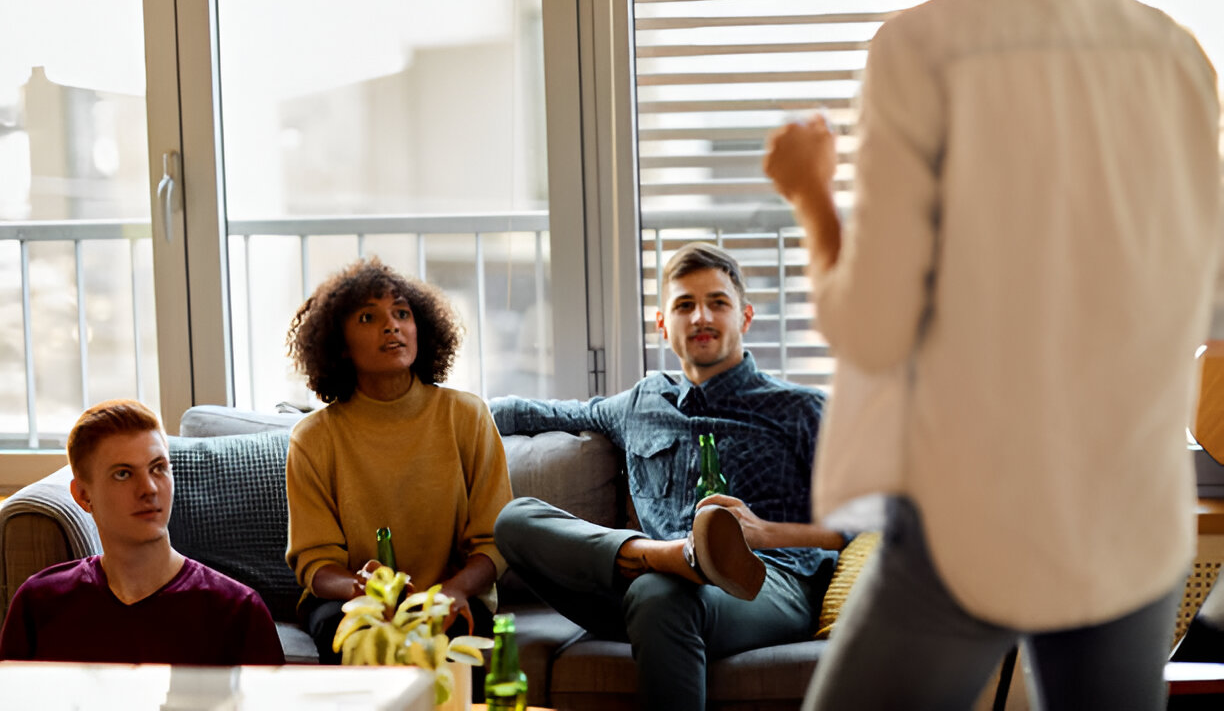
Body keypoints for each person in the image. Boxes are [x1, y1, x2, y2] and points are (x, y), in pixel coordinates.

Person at [763, 0, 1221, 708]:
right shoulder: (1173, 53)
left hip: (971, 519)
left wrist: (810, 195)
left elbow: (870, 329)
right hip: (1129, 512)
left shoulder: (921, 50)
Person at [492, 242, 845, 711]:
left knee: (658, 595)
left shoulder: (801, 409)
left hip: (767, 584)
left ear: (745, 317)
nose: (701, 317)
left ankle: (672, 564)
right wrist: (443, 409)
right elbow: (534, 412)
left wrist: (764, 533)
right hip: (646, 583)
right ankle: (668, 555)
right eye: (684, 305)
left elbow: (861, 523)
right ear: (662, 324)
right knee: (515, 519)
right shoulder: (640, 403)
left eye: (717, 303)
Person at [285, 257, 513, 663]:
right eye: (368, 317)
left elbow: (495, 540)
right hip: (353, 600)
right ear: (339, 345)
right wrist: (361, 589)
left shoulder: (468, 416)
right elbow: (315, 562)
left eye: (402, 313)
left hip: (450, 592)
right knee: (347, 632)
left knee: (458, 642)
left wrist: (455, 590)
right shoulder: (313, 438)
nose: (391, 326)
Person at [0, 399, 284, 665]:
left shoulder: (237, 610)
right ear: (83, 495)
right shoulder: (39, 603)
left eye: (158, 468)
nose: (149, 488)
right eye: (123, 474)